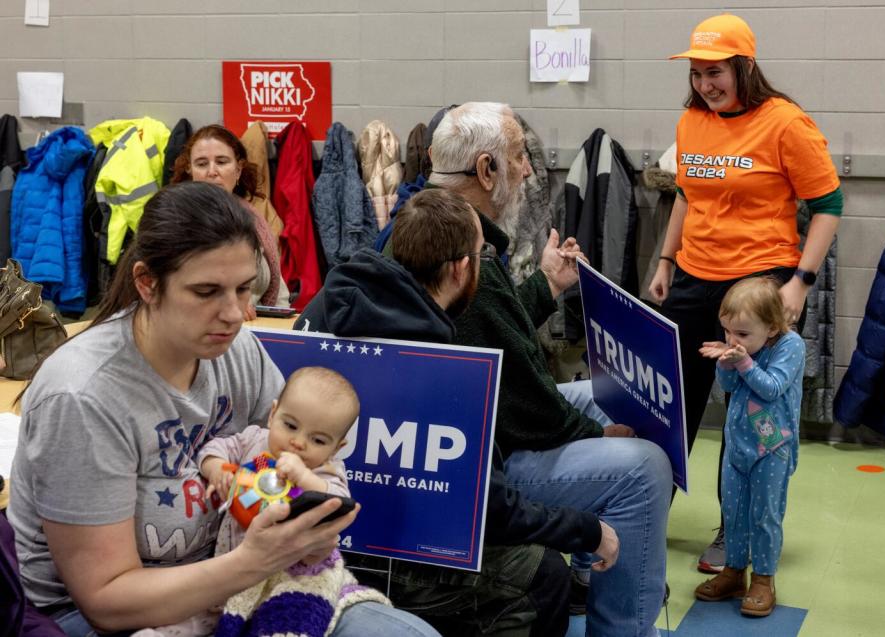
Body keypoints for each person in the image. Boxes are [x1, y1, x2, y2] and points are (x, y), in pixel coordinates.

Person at [6, 182, 439, 637]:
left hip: (238, 578)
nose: (235, 313)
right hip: (111, 616)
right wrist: (254, 562)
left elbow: (296, 463)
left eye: (244, 289)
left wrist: (313, 522)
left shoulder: (237, 350)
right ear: (147, 283)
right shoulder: (82, 396)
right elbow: (107, 602)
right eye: (207, 291)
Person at [296, 188, 619, 636]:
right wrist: (587, 530)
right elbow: (491, 510)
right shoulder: (443, 364)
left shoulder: (326, 306)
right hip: (379, 555)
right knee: (541, 575)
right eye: (481, 253)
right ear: (462, 268)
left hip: (311, 532)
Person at [425, 102, 671, 637]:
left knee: (605, 391)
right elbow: (528, 405)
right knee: (644, 468)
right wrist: (597, 432)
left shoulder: (431, 226)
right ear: (486, 170)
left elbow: (493, 332)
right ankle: (622, 626)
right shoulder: (464, 252)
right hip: (483, 463)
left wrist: (547, 286)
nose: (529, 170)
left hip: (482, 429)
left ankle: (593, 572)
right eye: (519, 157)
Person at [649, 13, 842, 573]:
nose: (706, 85)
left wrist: (800, 282)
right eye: (698, 74)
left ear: (744, 67)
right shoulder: (692, 120)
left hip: (760, 286)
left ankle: (734, 532)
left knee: (747, 416)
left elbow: (828, 205)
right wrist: (665, 261)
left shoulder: (785, 123)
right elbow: (685, 195)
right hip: (694, 275)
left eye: (716, 73)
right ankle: (644, 509)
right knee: (673, 404)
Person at [136, 366, 382, 637]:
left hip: (290, 575)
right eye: (290, 425)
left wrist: (303, 476)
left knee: (285, 621)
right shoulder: (254, 440)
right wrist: (216, 469)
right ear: (273, 413)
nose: (298, 442)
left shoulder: (325, 471)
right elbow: (213, 448)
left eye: (318, 439)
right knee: (201, 613)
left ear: (336, 448)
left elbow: (338, 501)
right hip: (232, 566)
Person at [693, 277, 804, 617]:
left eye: (742, 334)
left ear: (771, 328)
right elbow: (727, 385)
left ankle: (763, 579)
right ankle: (733, 572)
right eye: (727, 331)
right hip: (738, 444)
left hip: (773, 447)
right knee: (734, 513)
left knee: (765, 516)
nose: (732, 340)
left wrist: (741, 361)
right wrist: (726, 363)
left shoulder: (790, 346)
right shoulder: (741, 348)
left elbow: (771, 388)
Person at [171, 124, 290, 318]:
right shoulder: (175, 222)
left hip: (258, 333)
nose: (212, 171)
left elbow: (279, 294)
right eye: (201, 164)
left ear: (238, 169)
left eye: (222, 161)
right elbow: (169, 293)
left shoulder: (254, 219)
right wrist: (228, 308)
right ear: (190, 170)